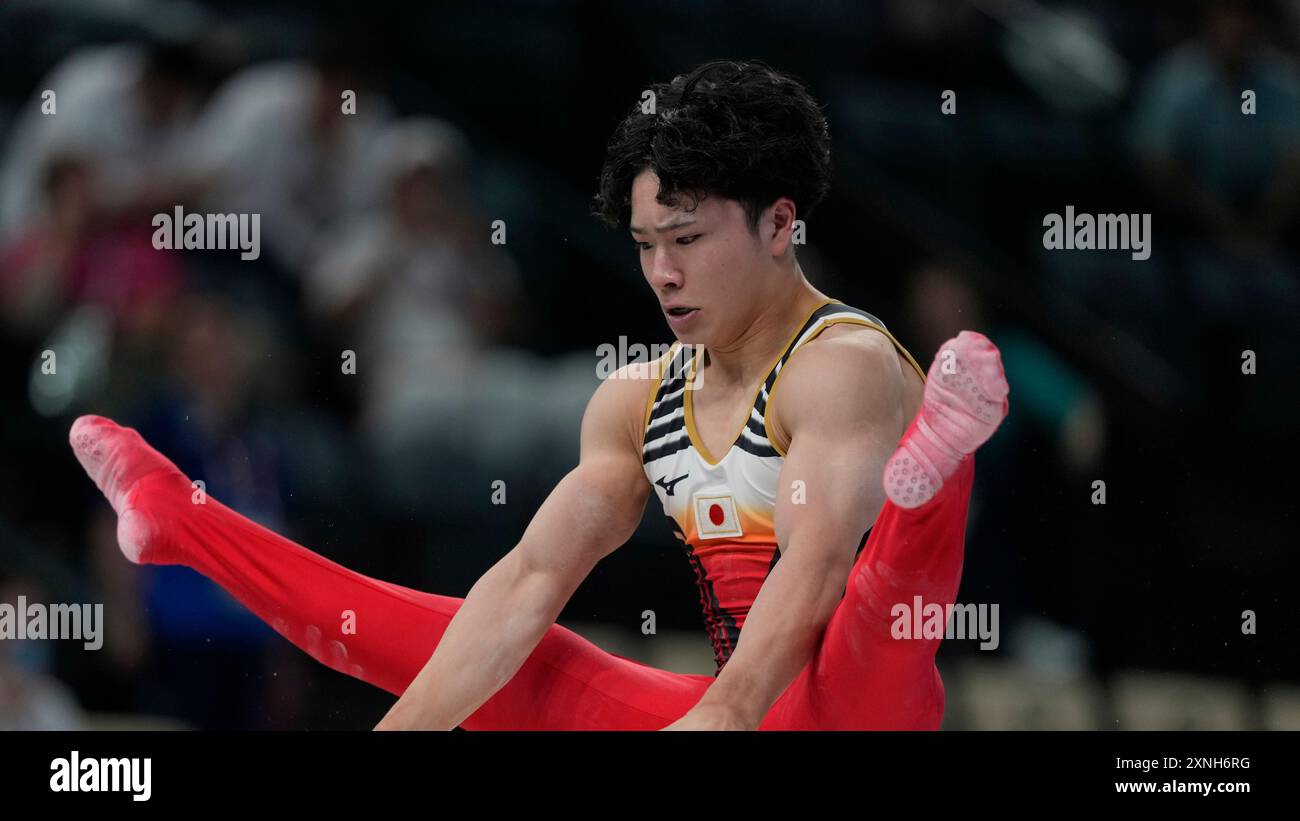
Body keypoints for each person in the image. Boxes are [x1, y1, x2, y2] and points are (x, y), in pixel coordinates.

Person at [68, 60, 1008, 730]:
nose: (663, 274)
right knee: (485, 644)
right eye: (645, 245)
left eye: (686, 239)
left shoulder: (835, 365)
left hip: (833, 706)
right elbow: (525, 584)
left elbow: (812, 576)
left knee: (877, 623)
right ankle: (176, 516)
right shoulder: (638, 399)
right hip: (734, 713)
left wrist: (723, 712)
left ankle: (941, 469)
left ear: (778, 224)